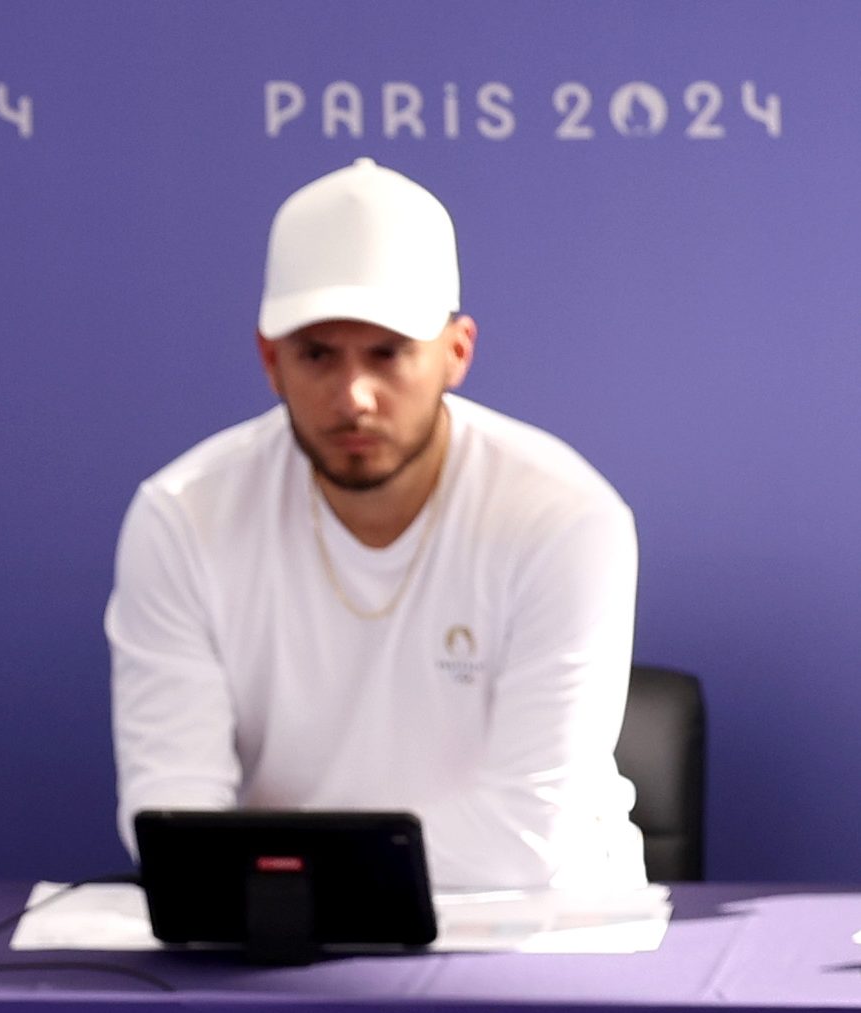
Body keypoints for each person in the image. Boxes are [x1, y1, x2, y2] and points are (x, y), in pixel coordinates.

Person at [107, 160, 646, 899]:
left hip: (534, 935)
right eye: (317, 355)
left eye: (387, 354)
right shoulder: (183, 515)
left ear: (455, 353)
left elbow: (528, 837)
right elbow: (172, 814)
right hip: (275, 939)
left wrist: (282, 874)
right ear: (270, 361)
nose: (352, 396)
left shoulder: (561, 517)